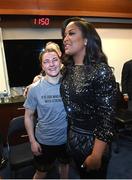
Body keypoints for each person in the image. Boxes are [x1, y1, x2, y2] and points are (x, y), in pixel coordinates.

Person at [60, 17, 117, 179]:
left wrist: (96, 155)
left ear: (86, 40)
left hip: (93, 144)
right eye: (64, 35)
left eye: (71, 33)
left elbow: (107, 118)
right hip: (73, 141)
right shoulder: (68, 70)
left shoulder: (101, 71)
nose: (65, 39)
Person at [23, 43, 69, 179]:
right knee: (41, 173)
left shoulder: (69, 85)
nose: (52, 64)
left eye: (55, 60)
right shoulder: (34, 89)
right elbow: (28, 117)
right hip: (44, 142)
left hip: (67, 140)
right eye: (46, 61)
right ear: (42, 66)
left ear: (60, 61)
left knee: (65, 168)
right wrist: (32, 141)